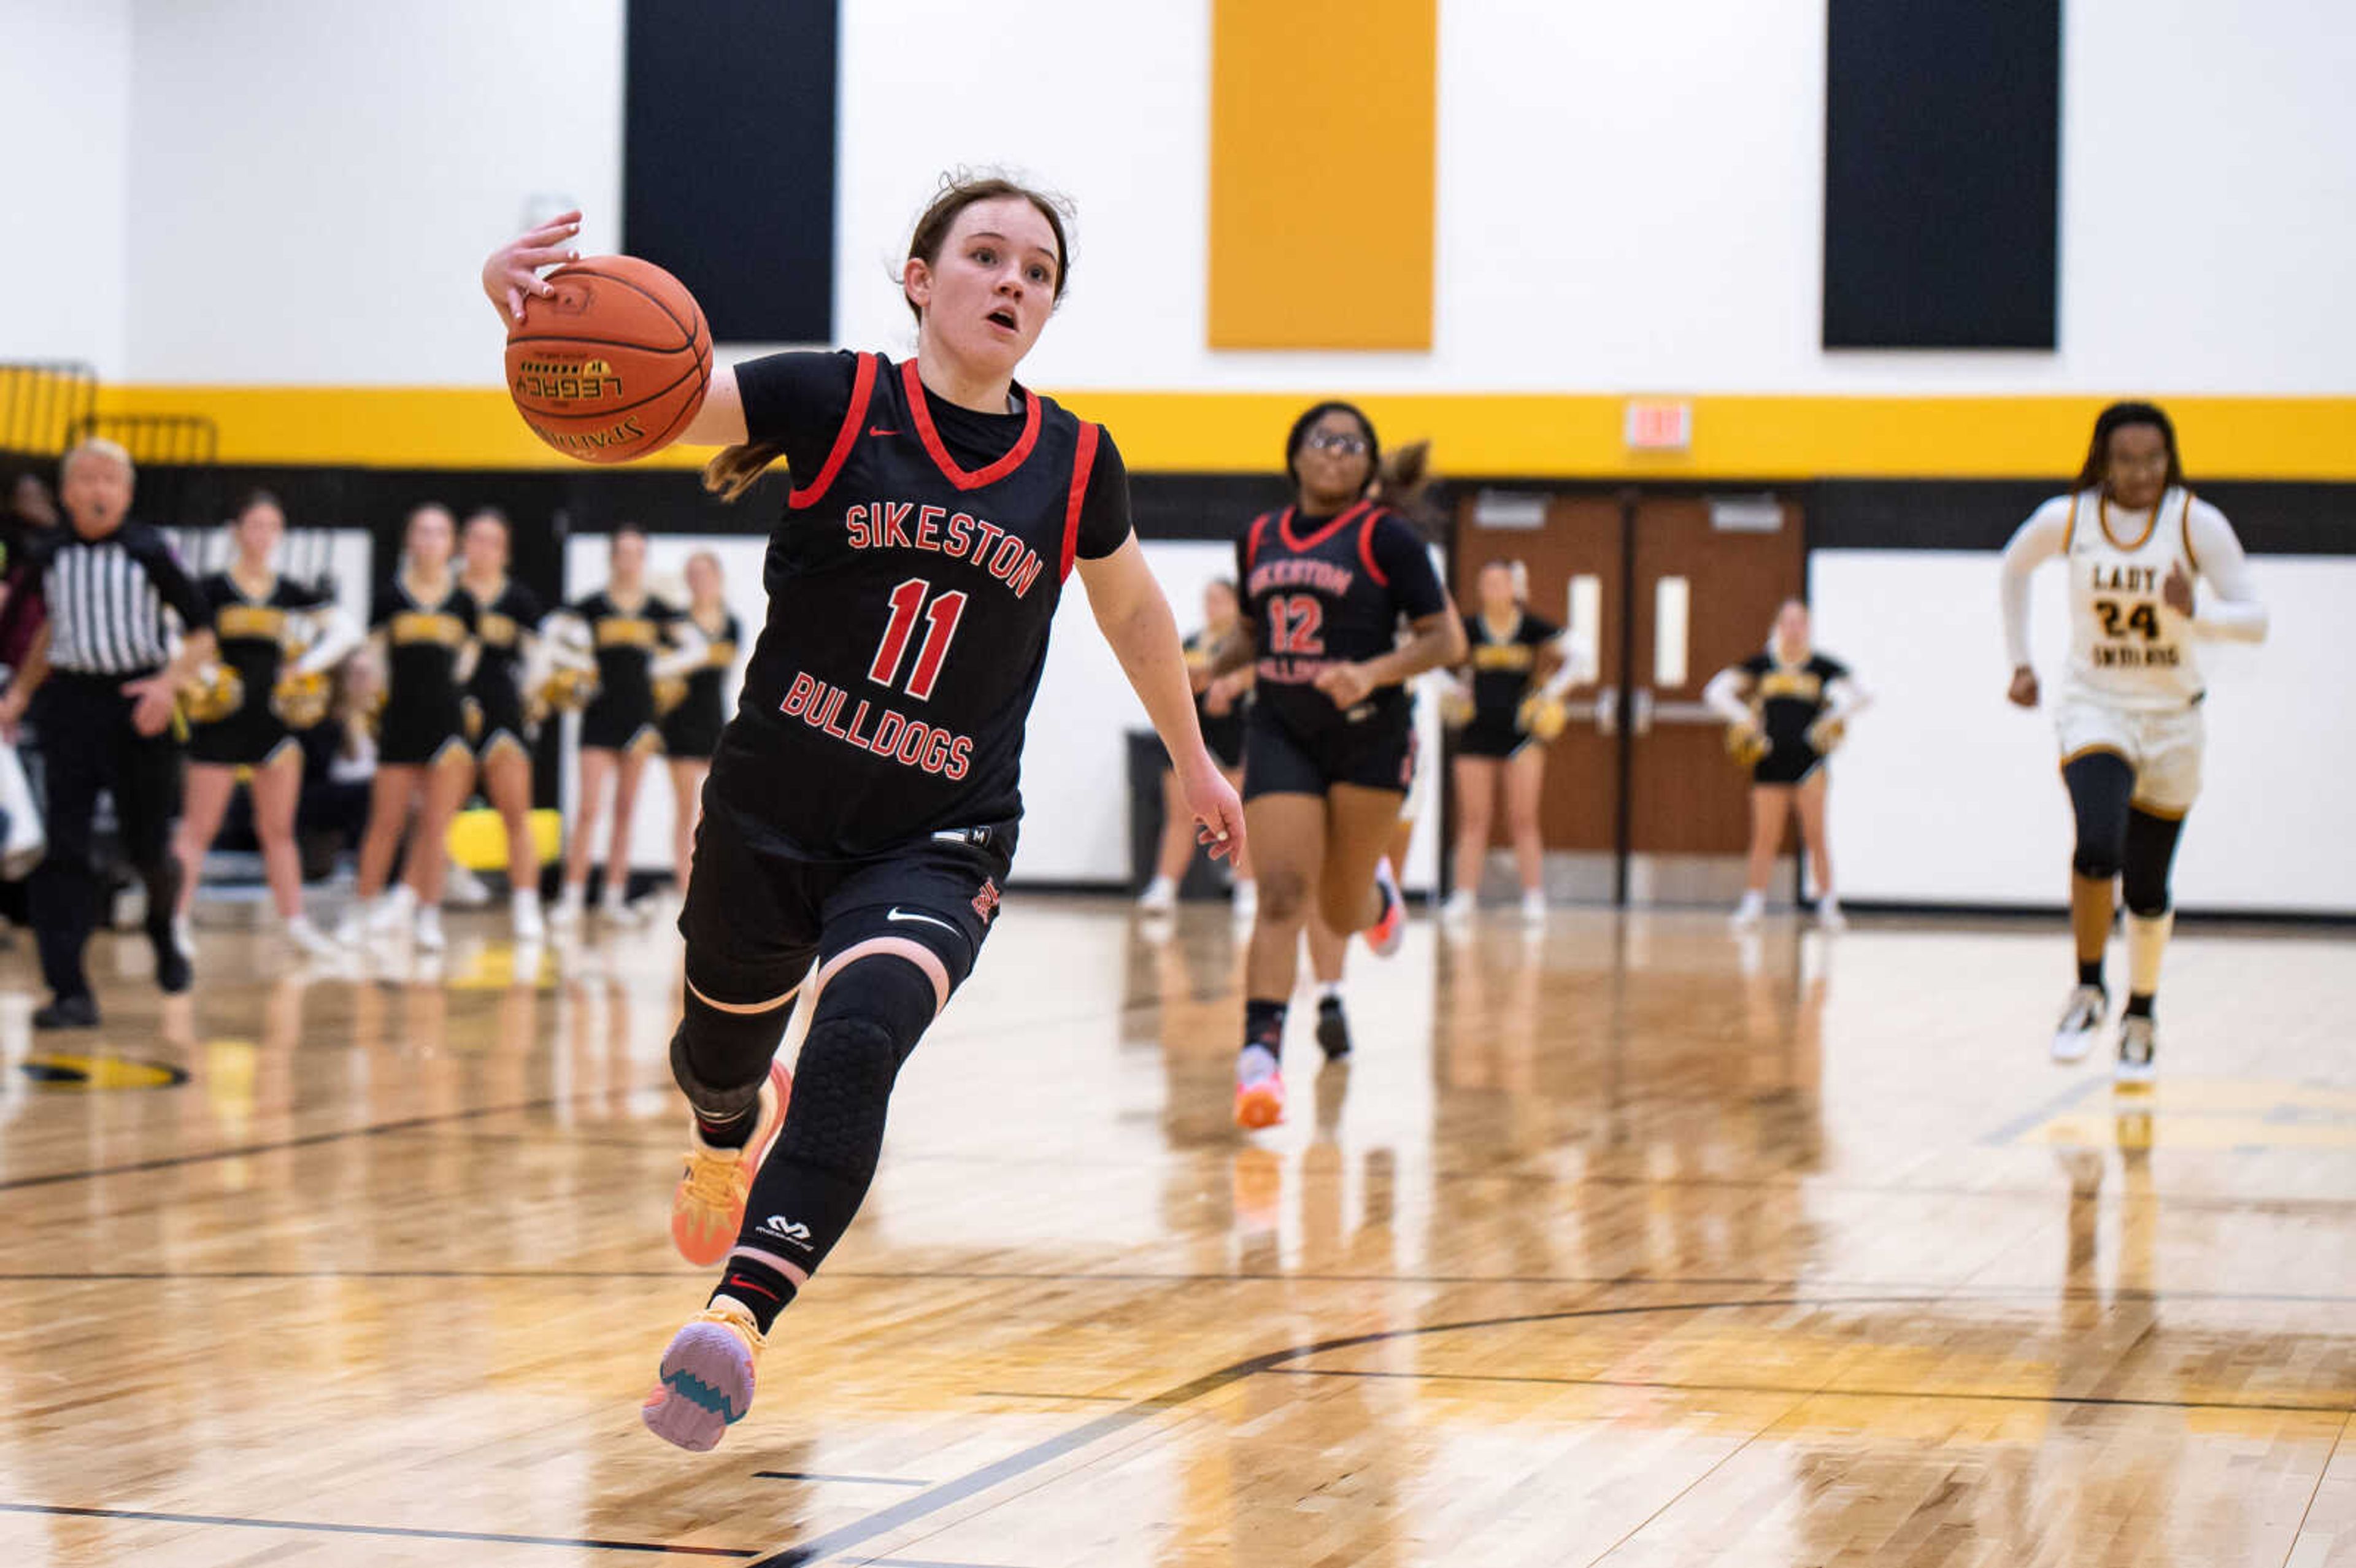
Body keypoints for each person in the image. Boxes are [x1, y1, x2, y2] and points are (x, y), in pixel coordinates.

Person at [482, 176, 1243, 1453]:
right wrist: (522, 314)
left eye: (1038, 272)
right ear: (919, 276)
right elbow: (661, 400)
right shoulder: (833, 399)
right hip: (769, 814)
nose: (1013, 283)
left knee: (860, 1038)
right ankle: (726, 1130)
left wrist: (1197, 757)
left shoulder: (1072, 461)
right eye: (987, 256)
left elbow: (1130, 611)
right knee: (718, 1063)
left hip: (939, 835)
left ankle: (739, 1317)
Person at [1210, 404, 1466, 1130]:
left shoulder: (1389, 539)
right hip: (1284, 729)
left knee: (1337, 908)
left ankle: (1378, 899)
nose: (1335, 452)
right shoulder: (1258, 537)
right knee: (1282, 893)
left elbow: (1446, 641)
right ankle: (1259, 1061)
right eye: (1323, 438)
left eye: (1352, 443)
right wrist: (1216, 670)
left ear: (1368, 465)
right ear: (1295, 455)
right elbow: (1256, 633)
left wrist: (1374, 672)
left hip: (1368, 738)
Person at [1998, 401, 2266, 1081]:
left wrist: (2195, 609)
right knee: (2097, 841)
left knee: (2148, 886)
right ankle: (2088, 987)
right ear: (2103, 460)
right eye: (2128, 459)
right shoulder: (2071, 519)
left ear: (2169, 459)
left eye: (2155, 459)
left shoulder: (2195, 523)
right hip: (2097, 708)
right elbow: (2013, 568)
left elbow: (2256, 619)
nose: (2142, 472)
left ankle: (2141, 1012)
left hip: (2174, 718)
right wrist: (2021, 662)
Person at [0, 439, 216, 1026]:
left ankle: (162, 930)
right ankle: (68, 989)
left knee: (147, 848)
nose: (98, 490)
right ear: (67, 493)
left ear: (126, 492)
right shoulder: (49, 555)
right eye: (87, 480)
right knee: (62, 849)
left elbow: (202, 633)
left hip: (139, 703)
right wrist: (19, 694)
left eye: (109, 481)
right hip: (70, 705)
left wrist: (167, 685)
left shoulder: (151, 551)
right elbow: (52, 631)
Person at [171, 491, 357, 958]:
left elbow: (347, 631)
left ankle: (294, 922)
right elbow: (169, 629)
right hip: (219, 719)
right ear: (236, 532)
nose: (263, 535)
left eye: (272, 526)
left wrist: (306, 665)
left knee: (278, 830)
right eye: (255, 525)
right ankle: (173, 921)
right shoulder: (211, 588)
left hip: (272, 722)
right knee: (197, 828)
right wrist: (202, 673)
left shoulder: (289, 591)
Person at [337, 502, 478, 952]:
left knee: (436, 827)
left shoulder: (464, 603)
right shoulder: (388, 598)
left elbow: (466, 666)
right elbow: (373, 664)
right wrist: (359, 717)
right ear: (409, 540)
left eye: (440, 532)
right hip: (399, 722)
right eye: (422, 531)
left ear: (451, 544)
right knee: (386, 823)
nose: (430, 540)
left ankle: (428, 916)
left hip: (447, 724)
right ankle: (361, 911)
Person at [547, 528, 703, 927]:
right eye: (623, 553)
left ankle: (614, 897)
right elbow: (549, 636)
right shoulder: (592, 606)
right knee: (588, 809)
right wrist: (577, 664)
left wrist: (661, 667)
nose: (629, 560)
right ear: (612, 558)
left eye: (637, 553)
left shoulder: (657, 608)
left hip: (639, 718)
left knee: (626, 810)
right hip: (598, 716)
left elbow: (697, 647)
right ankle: (572, 895)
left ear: (643, 559)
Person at [1703, 599, 1869, 930]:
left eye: (1800, 623)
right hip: (1770, 761)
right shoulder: (1763, 665)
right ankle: (1753, 903)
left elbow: (1864, 695)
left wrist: (1830, 720)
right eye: (1788, 623)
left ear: (1807, 627)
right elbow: (1715, 692)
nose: (1794, 629)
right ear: (1778, 627)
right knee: (1765, 838)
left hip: (1810, 764)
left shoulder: (1821, 666)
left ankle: (1828, 904)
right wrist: (1745, 719)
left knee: (1816, 836)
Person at [1442, 559, 1582, 926]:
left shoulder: (1531, 628)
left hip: (1522, 735)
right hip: (1475, 734)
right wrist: (1453, 690)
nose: (1493, 589)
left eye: (1500, 582)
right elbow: (1430, 660)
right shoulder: (1468, 629)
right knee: (1473, 819)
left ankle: (1534, 897)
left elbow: (1582, 655)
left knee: (1523, 818)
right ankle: (1464, 897)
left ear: (1514, 588)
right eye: (1486, 583)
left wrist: (1550, 693)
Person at [456, 507, 549, 942]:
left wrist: (534, 698)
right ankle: (437, 883)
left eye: (493, 541)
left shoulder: (519, 600)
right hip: (447, 709)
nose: (483, 548)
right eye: (475, 538)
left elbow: (540, 659)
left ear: (505, 551)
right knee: (428, 812)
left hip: (502, 710)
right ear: (463, 544)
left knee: (516, 813)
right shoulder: (444, 592)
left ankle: (526, 904)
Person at [1138, 577, 1253, 919]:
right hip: (1194, 732)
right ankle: (1164, 886)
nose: (1212, 605)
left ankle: (1247, 886)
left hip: (1234, 731)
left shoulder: (1244, 643)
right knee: (1180, 815)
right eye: (1208, 599)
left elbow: (1255, 671)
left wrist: (1228, 684)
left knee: (1238, 814)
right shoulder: (1190, 641)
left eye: (1220, 599)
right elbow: (1173, 676)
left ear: (1235, 602)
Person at [658, 549, 740, 901]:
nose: (700, 581)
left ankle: (715, 884)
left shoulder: (730, 623)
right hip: (680, 722)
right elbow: (662, 672)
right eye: (693, 574)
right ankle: (685, 885)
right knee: (684, 808)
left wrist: (692, 654)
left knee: (716, 810)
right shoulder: (674, 622)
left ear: (718, 578)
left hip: (713, 720)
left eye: (705, 574)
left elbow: (721, 666)